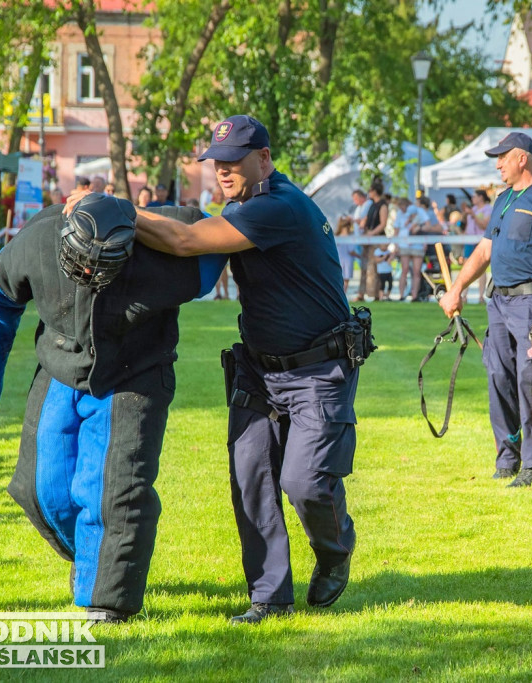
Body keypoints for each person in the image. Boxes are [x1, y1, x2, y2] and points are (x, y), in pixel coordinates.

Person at [68, 114, 367, 625]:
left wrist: (116, 211)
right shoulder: (247, 203)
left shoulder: (277, 207)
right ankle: (269, 599)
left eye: (233, 162)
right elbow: (188, 225)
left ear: (265, 159)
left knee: (305, 483)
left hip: (317, 370)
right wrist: (120, 212)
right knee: (251, 479)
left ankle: (336, 549)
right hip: (259, 367)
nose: (222, 170)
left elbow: (185, 242)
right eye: (216, 162)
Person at [0, 195, 224, 623]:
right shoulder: (38, 239)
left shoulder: (170, 253)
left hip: (137, 371)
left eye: (105, 264)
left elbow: (214, 241)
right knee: (42, 489)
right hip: (60, 364)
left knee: (115, 492)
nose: (92, 272)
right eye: (85, 263)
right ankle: (96, 557)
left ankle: (107, 602)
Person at [438, 131, 532, 488]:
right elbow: (484, 251)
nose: (497, 164)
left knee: (528, 379)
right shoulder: (502, 200)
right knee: (498, 376)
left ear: (522, 158)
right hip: (498, 302)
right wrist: (456, 288)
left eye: (502, 157)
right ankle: (507, 458)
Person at [460, 190, 492, 303]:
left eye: (474, 196)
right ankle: (464, 295)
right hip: (469, 240)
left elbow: (484, 225)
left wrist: (473, 215)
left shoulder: (488, 209)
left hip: (481, 240)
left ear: (481, 197)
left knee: (481, 268)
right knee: (466, 267)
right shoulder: (472, 209)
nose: (472, 199)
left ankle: (481, 295)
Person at [205, 185, 232, 300]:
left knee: (230, 268)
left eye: (222, 194)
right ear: (214, 196)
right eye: (218, 194)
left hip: (228, 239)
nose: (220, 196)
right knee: (218, 268)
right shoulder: (209, 208)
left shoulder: (227, 206)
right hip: (215, 240)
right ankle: (218, 293)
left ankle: (228, 293)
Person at [349, 189, 372, 302]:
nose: (355, 201)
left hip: (365, 241)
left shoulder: (368, 205)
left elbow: (364, 221)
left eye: (356, 198)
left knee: (365, 267)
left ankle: (363, 292)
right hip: (359, 240)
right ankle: (361, 291)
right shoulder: (359, 207)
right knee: (362, 267)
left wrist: (355, 221)